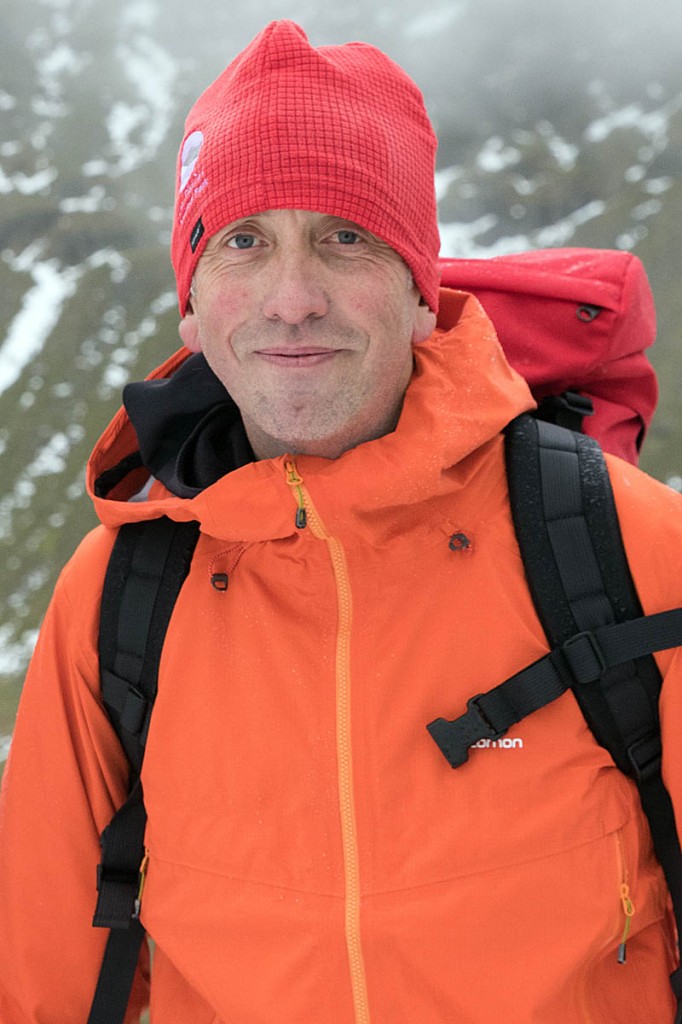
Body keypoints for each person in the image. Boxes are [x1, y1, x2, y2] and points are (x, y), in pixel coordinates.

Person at [1, 18, 681, 1024]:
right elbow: (41, 986)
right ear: (192, 306)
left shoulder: (629, 548)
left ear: (421, 292)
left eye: (345, 237)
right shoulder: (117, 600)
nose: (292, 298)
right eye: (243, 242)